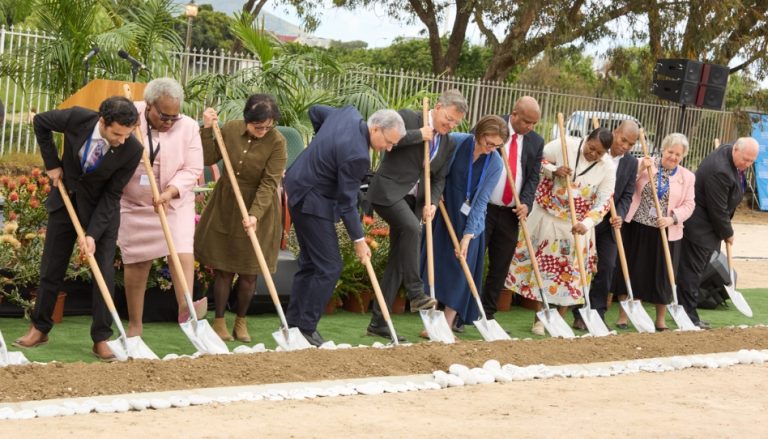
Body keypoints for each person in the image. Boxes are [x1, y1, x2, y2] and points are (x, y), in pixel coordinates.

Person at [13, 97, 143, 361]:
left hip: (101, 211)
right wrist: (52, 163)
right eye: (117, 134)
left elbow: (112, 194)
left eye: (126, 135)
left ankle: (101, 338)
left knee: (103, 272)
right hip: (66, 199)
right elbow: (41, 122)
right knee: (52, 266)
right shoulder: (77, 118)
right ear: (102, 122)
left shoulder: (132, 149)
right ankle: (40, 327)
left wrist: (92, 234)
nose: (121, 140)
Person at [284, 105, 405, 346]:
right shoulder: (358, 156)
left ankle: (293, 323)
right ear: (375, 129)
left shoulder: (348, 114)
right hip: (312, 200)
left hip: (297, 184)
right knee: (329, 266)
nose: (389, 148)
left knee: (311, 263)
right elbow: (347, 203)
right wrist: (359, 241)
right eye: (388, 142)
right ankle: (306, 328)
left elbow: (316, 112)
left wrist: (321, 146)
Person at [365, 89, 467, 341]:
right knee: (413, 228)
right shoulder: (409, 118)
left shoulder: (448, 143)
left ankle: (378, 322)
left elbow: (439, 177)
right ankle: (415, 292)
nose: (450, 126)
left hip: (413, 201)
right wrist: (418, 135)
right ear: (438, 107)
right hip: (388, 192)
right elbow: (387, 142)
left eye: (455, 123)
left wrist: (431, 202)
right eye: (449, 119)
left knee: (398, 263)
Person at [506, 128, 615, 335]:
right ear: (587, 139)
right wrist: (554, 170)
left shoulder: (608, 167)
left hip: (577, 225)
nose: (593, 154)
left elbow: (604, 201)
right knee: (543, 269)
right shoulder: (565, 144)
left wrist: (587, 223)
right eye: (591, 148)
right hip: (549, 217)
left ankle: (559, 320)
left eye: (599, 153)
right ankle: (540, 319)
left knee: (571, 274)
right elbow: (537, 161)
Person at [196, 94, 287, 343]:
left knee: (249, 271)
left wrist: (255, 214)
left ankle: (241, 320)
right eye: (258, 126)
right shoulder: (230, 128)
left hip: (259, 208)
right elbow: (207, 158)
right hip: (227, 204)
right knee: (224, 268)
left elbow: (269, 183)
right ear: (247, 119)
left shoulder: (277, 142)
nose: (263, 131)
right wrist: (207, 130)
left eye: (268, 127)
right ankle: (219, 320)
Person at [117, 78, 204, 337]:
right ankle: (135, 326)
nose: (169, 122)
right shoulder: (130, 114)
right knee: (137, 262)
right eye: (164, 116)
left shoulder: (188, 126)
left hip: (173, 201)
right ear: (150, 106)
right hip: (134, 202)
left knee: (180, 250)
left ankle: (186, 309)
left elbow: (193, 169)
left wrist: (170, 192)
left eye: (174, 117)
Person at [425, 115, 506, 331]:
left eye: (497, 146)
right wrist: (436, 194)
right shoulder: (457, 141)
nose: (491, 149)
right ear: (479, 134)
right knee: (437, 265)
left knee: (461, 270)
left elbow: (481, 201)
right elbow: (438, 172)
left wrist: (468, 236)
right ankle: (432, 320)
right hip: (444, 212)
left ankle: (446, 324)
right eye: (489, 143)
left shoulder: (495, 163)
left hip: (470, 222)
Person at [613, 133, 695, 330]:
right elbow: (623, 185)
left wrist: (672, 218)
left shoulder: (687, 177)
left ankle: (660, 319)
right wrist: (640, 169)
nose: (673, 157)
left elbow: (689, 204)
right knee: (631, 270)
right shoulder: (644, 163)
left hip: (666, 230)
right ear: (663, 150)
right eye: (670, 152)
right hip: (637, 226)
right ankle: (624, 316)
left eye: (678, 154)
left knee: (663, 276)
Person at [677, 137, 759, 329]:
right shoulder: (720, 171)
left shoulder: (728, 152)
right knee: (692, 273)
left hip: (710, 228)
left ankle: (687, 312)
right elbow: (718, 209)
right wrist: (728, 233)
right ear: (735, 150)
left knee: (697, 271)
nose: (747, 164)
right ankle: (688, 317)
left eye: (751, 161)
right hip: (700, 228)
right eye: (745, 159)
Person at [479, 96, 544, 327]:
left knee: (500, 265)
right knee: (475, 259)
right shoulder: (493, 126)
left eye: (534, 123)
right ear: (514, 114)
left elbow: (533, 177)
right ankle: (460, 312)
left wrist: (526, 203)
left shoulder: (536, 141)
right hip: (484, 207)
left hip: (511, 212)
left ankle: (487, 315)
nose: (530, 127)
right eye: (526, 121)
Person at [572, 120, 639, 330]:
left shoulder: (631, 163)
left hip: (609, 223)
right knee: (583, 266)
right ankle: (579, 313)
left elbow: (627, 194)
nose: (625, 146)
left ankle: (598, 314)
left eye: (631, 144)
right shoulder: (597, 152)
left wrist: (620, 214)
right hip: (587, 219)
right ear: (615, 132)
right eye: (623, 140)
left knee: (607, 267)